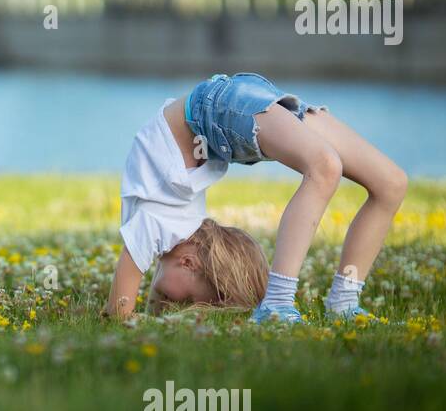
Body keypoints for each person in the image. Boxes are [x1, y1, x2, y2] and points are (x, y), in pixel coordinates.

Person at [104, 73, 408, 323]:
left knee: (325, 167)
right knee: (391, 183)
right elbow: (157, 299)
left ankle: (276, 302)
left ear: (189, 263)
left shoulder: (151, 228)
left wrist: (145, 317)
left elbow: (118, 313)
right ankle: (343, 304)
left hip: (217, 108)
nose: (175, 303)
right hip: (242, 103)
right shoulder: (181, 234)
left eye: (186, 300)